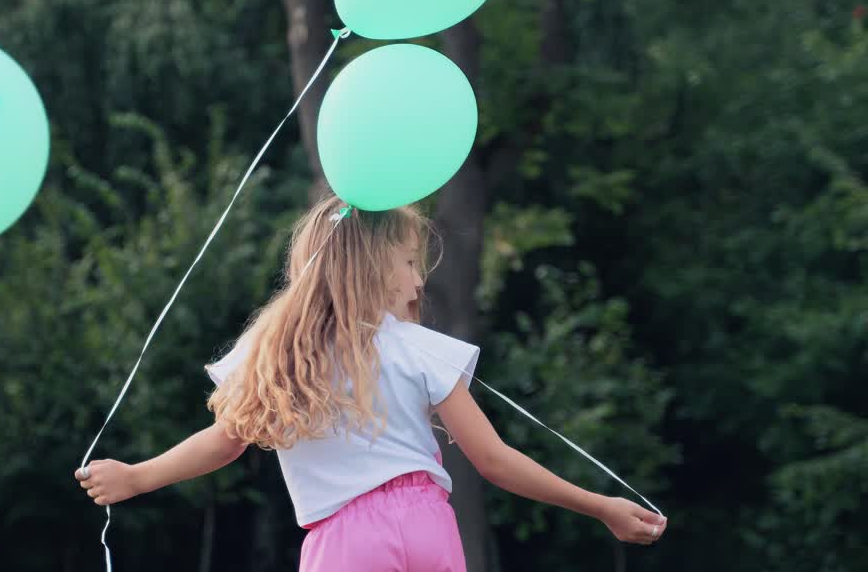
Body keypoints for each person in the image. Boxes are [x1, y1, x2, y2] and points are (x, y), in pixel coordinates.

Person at [75, 196, 665, 571]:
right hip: (430, 525)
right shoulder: (420, 349)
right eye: (409, 264)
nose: (416, 281)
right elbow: (495, 461)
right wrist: (600, 506)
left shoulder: (276, 351)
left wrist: (136, 477)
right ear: (371, 268)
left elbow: (225, 442)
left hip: (347, 541)